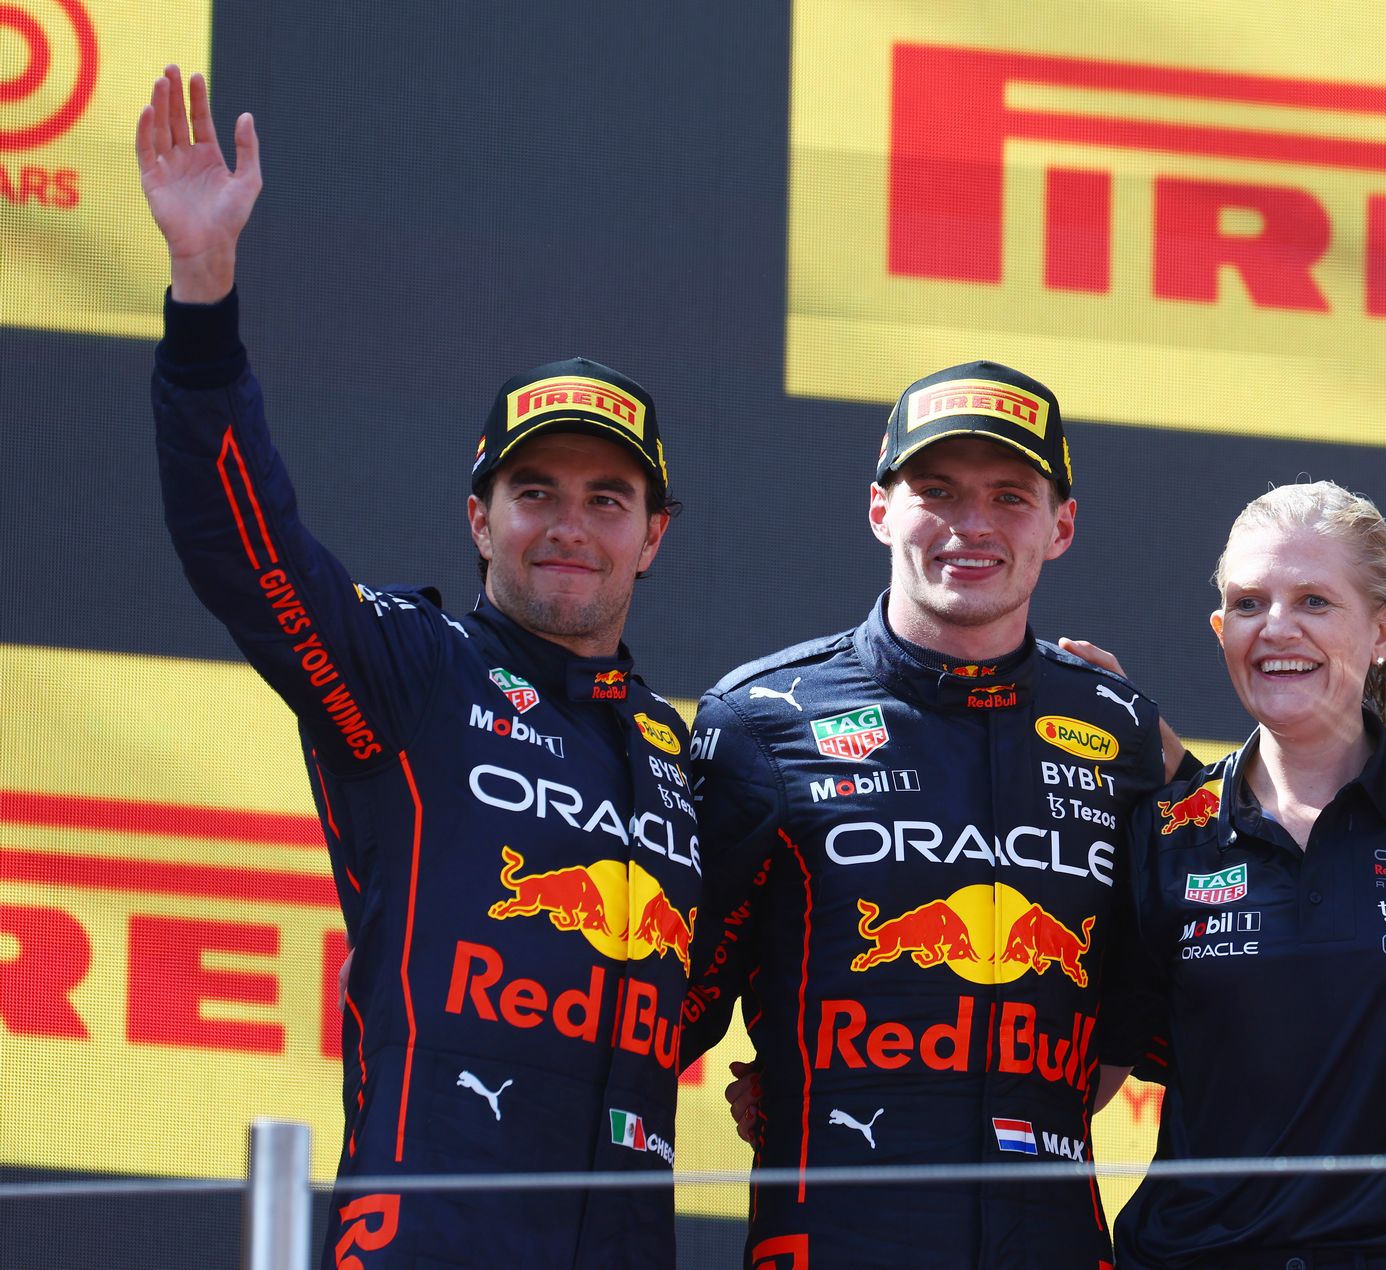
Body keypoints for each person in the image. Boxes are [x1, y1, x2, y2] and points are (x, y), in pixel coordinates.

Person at [140, 66, 699, 1267]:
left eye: (607, 499)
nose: (569, 525)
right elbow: (243, 546)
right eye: (534, 491)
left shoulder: (681, 756)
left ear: (653, 535)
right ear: (479, 518)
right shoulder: (411, 672)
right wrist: (203, 292)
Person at [679, 361, 1172, 1268]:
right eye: (936, 491)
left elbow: (1142, 998)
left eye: (1009, 496)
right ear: (880, 510)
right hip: (832, 1237)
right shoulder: (759, 719)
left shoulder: (1119, 729)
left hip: (1049, 1238)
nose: (971, 524)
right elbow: (662, 1004)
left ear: (1061, 525)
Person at [1111, 482, 1386, 1270]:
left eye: (1314, 601)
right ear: (1220, 630)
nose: (1276, 628)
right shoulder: (1168, 831)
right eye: (1248, 604)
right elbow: (1088, 1073)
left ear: (1384, 629)